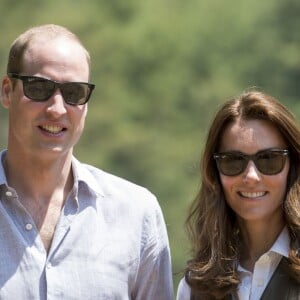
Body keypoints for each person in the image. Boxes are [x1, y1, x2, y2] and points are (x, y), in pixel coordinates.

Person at [0, 24, 173, 299]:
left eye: (74, 93)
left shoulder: (137, 215)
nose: (57, 108)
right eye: (39, 88)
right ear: (7, 91)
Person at [177, 90, 300, 300]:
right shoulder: (195, 287)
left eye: (269, 159)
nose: (251, 176)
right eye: (233, 161)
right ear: (215, 173)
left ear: (293, 167)